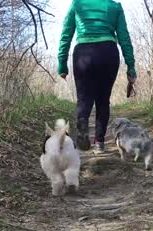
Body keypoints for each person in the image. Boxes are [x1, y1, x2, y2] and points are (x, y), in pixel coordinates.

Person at [57, 0, 137, 152]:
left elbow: (66, 34)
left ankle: (82, 123)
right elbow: (124, 37)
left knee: (84, 99)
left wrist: (62, 63)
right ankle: (99, 143)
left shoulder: (77, 4)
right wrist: (131, 67)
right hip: (108, 53)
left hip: (83, 54)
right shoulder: (115, 6)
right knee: (103, 100)